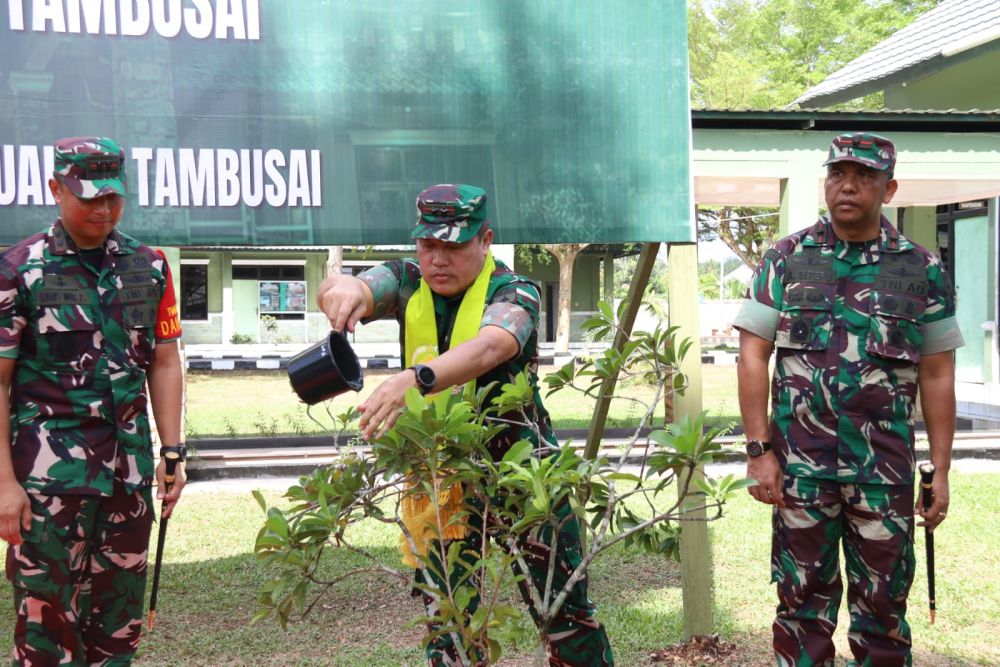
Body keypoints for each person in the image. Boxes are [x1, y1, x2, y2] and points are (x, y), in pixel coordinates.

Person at [316, 184, 614, 666]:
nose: (438, 259)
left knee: (567, 615)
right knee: (450, 623)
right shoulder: (407, 282)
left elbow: (494, 345)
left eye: (453, 245)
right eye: (428, 245)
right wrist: (343, 289)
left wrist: (416, 379)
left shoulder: (515, 289)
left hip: (522, 475)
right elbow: (358, 287)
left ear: (486, 240)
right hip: (442, 479)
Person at [734, 133, 963, 666]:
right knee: (799, 607)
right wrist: (758, 451)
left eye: (864, 177)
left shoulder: (921, 268)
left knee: (883, 609)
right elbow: (751, 356)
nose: (848, 186)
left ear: (890, 188)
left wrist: (942, 470)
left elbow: (936, 373)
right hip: (800, 471)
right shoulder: (786, 258)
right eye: (838, 173)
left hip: (883, 474)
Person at [0, 137, 186, 664]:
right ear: (56, 189)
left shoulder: (148, 267)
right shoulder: (19, 271)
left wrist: (173, 453)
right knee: (47, 634)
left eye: (113, 197)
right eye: (88, 197)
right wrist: (4, 483)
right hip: (48, 491)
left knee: (118, 631)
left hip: (127, 479)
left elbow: (164, 362)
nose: (103, 209)